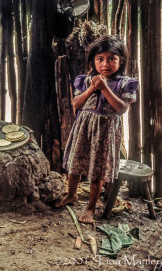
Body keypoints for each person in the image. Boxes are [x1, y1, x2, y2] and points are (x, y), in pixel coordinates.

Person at [56, 35, 138, 223]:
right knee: (75, 165)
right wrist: (92, 88)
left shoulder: (124, 83)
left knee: (97, 171)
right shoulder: (86, 81)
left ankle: (91, 207)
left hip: (104, 132)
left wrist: (105, 89)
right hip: (83, 129)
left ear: (121, 60)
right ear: (93, 61)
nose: (105, 64)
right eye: (100, 59)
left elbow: (122, 109)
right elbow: (76, 103)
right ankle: (71, 194)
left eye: (111, 59)